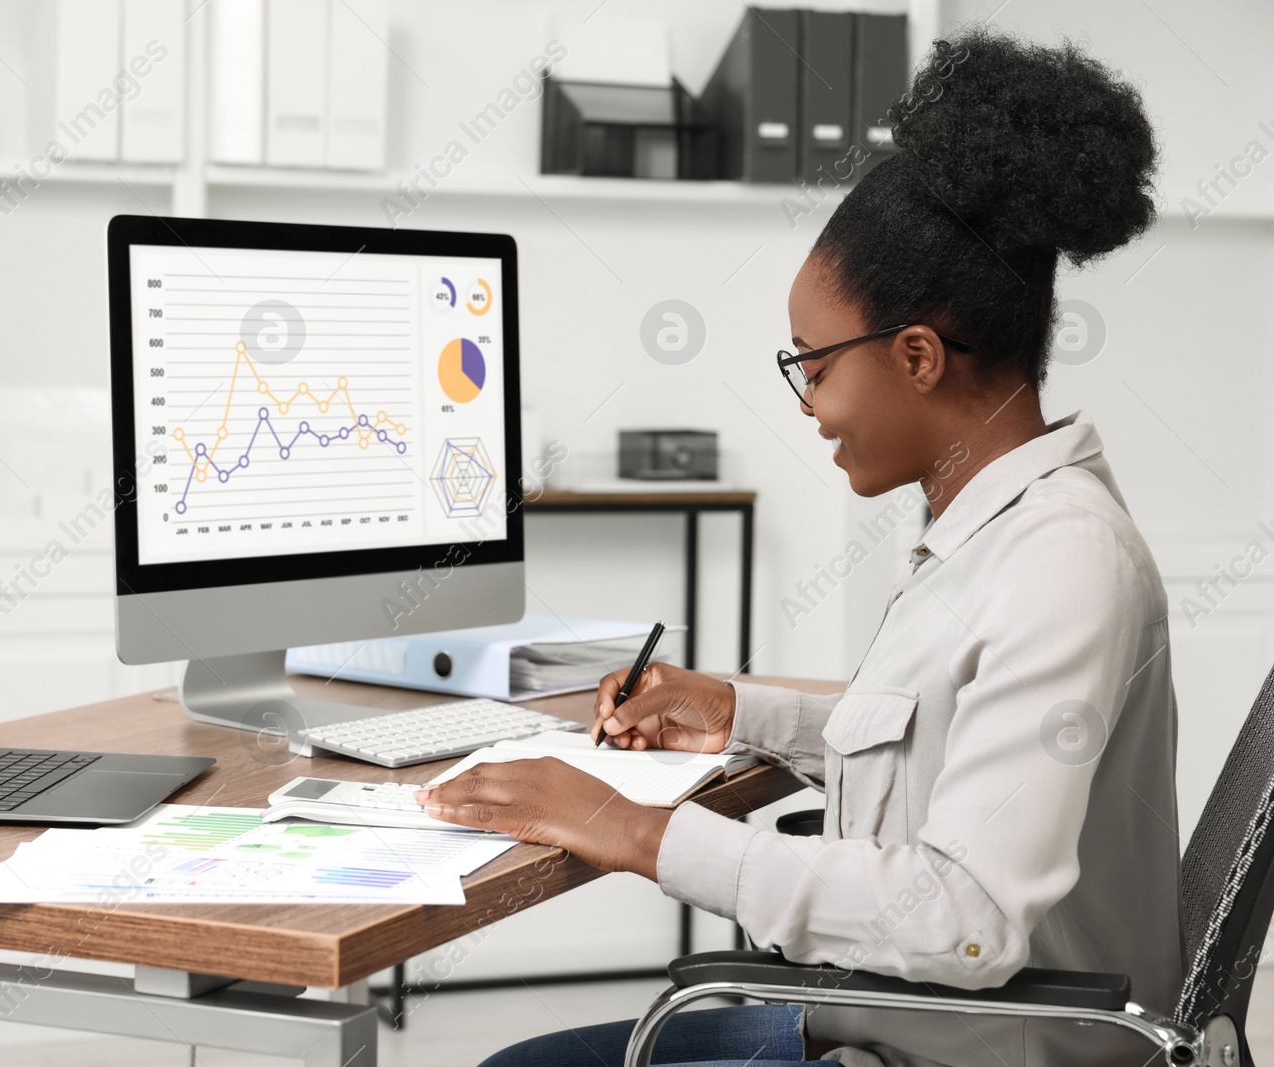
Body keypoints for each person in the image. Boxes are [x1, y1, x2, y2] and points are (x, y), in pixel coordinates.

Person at [417, 25, 1177, 1067]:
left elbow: (962, 912)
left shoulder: (1064, 562)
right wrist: (737, 709)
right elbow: (940, 741)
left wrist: (635, 830)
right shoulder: (1008, 527)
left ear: (914, 356)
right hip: (909, 1021)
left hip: (958, 1045)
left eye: (813, 366)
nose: (810, 405)